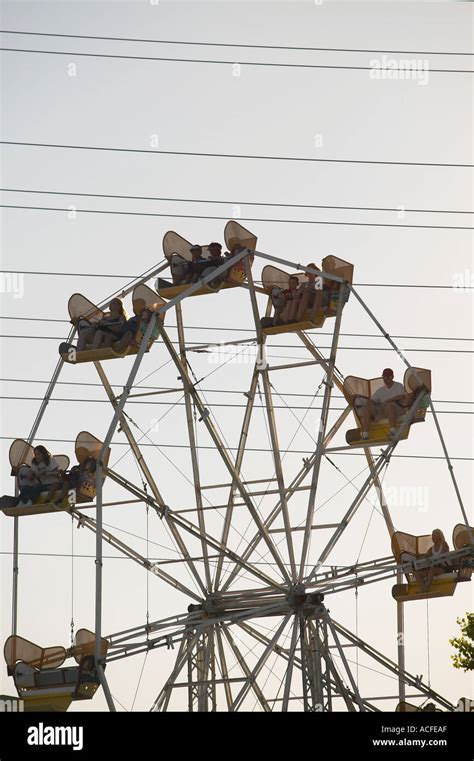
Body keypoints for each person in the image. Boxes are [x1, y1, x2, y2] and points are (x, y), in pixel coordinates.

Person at [354, 368, 408, 440]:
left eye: (387, 377)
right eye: (384, 377)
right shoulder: (381, 390)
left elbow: (402, 396)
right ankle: (365, 434)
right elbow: (371, 400)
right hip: (384, 411)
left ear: (391, 377)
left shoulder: (398, 386)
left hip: (397, 409)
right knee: (366, 409)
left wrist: (388, 400)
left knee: (389, 405)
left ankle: (393, 431)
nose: (385, 379)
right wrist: (371, 405)